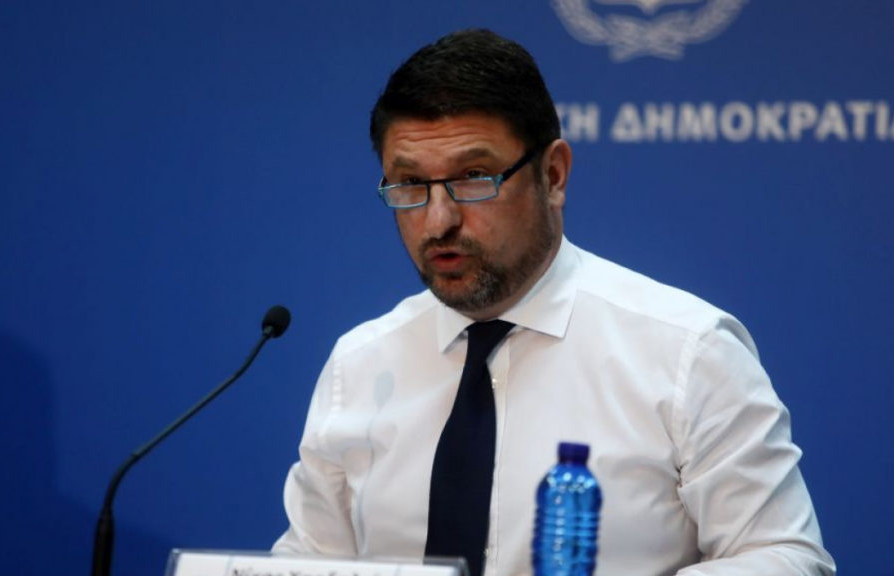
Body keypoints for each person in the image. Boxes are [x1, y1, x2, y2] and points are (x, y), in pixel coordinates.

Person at [273, 29, 835, 576]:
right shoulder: (360, 366)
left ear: (553, 175)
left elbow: (785, 555)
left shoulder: (688, 352)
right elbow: (307, 563)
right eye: (410, 185)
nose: (437, 220)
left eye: (474, 177)